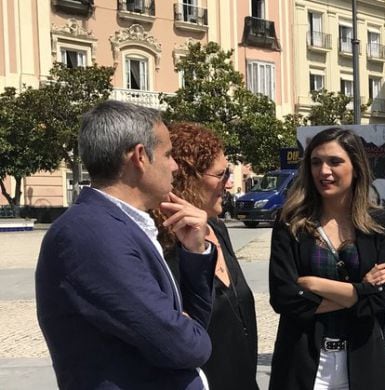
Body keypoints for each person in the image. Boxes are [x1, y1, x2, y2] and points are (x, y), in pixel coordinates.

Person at [35, 101, 217, 389]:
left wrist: (195, 252)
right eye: (168, 154)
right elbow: (184, 347)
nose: (175, 166)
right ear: (140, 157)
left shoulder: (122, 225)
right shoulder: (89, 233)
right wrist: (184, 330)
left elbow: (191, 327)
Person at [268, 127, 385, 390]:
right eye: (316, 162)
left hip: (362, 361)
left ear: (356, 166)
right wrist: (361, 290)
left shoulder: (382, 224)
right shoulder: (291, 223)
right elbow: (284, 298)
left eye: (335, 162)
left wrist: (314, 285)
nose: (324, 171)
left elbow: (380, 298)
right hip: (301, 361)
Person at [152, 123, 259, 389]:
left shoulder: (218, 229)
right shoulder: (162, 241)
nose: (230, 183)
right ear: (188, 177)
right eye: (221, 175)